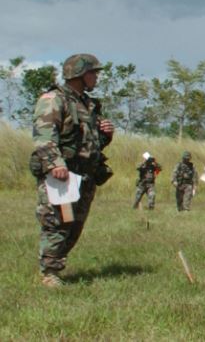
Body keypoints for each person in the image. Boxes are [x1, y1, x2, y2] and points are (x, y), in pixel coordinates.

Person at [30, 53, 115, 287]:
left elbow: (87, 141)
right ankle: (49, 272)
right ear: (80, 74)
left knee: (75, 225)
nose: (96, 77)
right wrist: (55, 163)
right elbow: (44, 137)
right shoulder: (53, 99)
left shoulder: (87, 104)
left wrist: (105, 135)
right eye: (93, 73)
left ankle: (56, 266)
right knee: (57, 222)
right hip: (62, 175)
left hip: (84, 174)